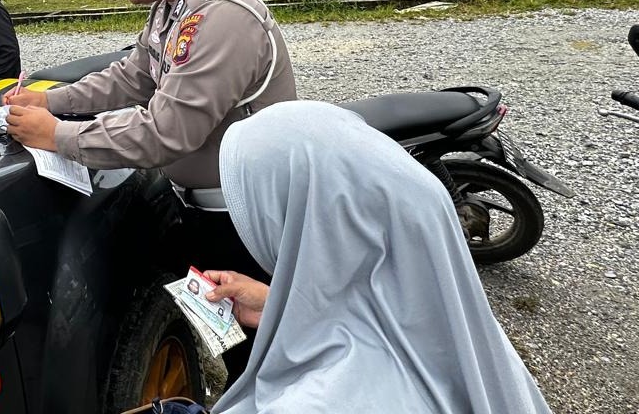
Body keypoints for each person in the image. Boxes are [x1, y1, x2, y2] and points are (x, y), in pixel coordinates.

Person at [204, 101, 553, 414]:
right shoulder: (465, 333)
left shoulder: (314, 401)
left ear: (298, 223)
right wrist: (280, 308)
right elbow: (374, 319)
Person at [4, 0, 295, 189]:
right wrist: (48, 100)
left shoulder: (222, 16)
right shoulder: (171, 4)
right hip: (200, 198)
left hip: (240, 209)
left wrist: (57, 135)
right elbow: (132, 77)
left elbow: (167, 131)